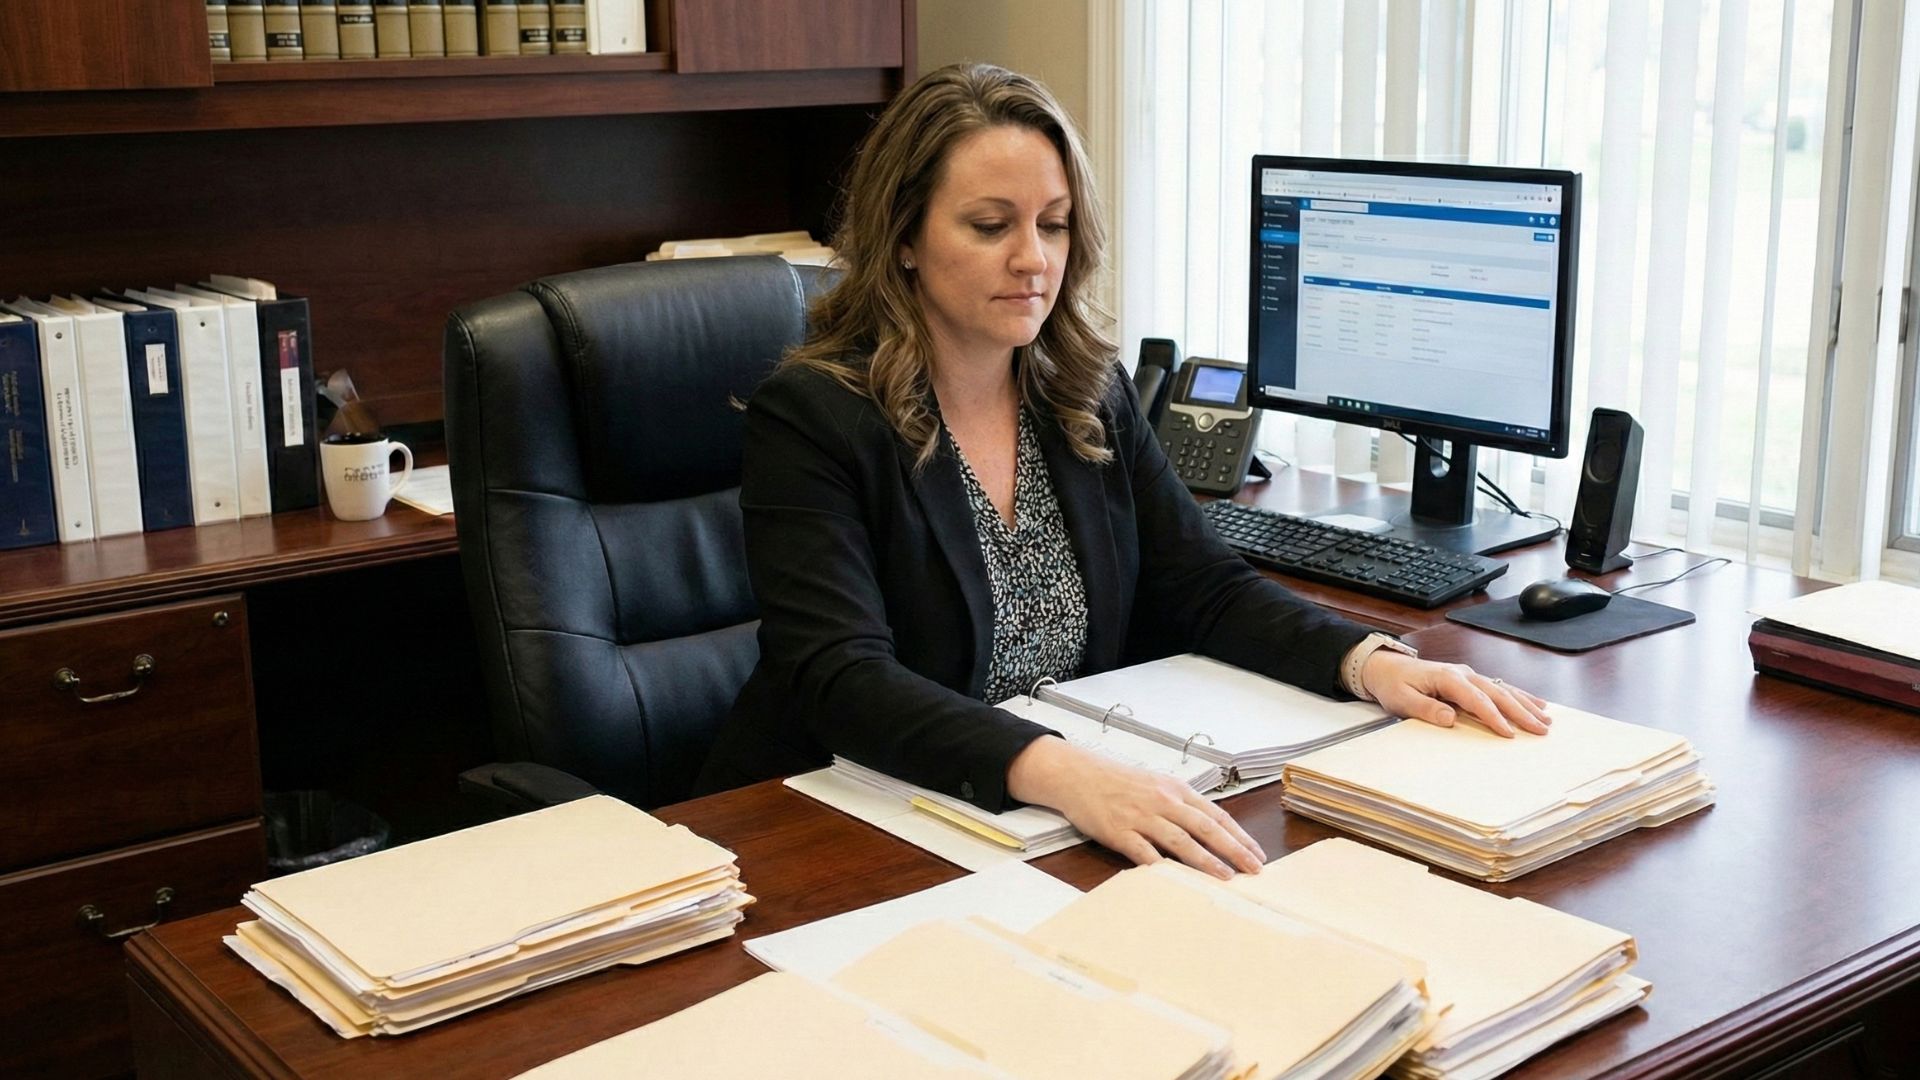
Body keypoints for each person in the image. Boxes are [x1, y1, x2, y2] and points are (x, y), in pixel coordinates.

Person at [696, 63, 1550, 879]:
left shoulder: (1081, 389)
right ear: (906, 238)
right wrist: (1065, 772)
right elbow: (842, 679)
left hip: (1035, 827)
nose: (1033, 258)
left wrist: (1370, 664)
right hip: (839, 818)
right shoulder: (814, 416)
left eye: (1054, 223)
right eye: (990, 225)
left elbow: (1202, 585)